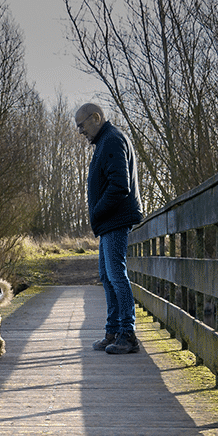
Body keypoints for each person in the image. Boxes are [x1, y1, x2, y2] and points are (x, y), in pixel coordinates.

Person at [77, 102, 143, 354]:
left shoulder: (112, 140)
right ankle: (113, 331)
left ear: (96, 117)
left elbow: (119, 185)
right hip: (109, 221)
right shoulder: (105, 141)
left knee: (116, 275)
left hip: (115, 219)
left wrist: (97, 211)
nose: (81, 131)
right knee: (107, 275)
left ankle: (128, 334)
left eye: (82, 125)